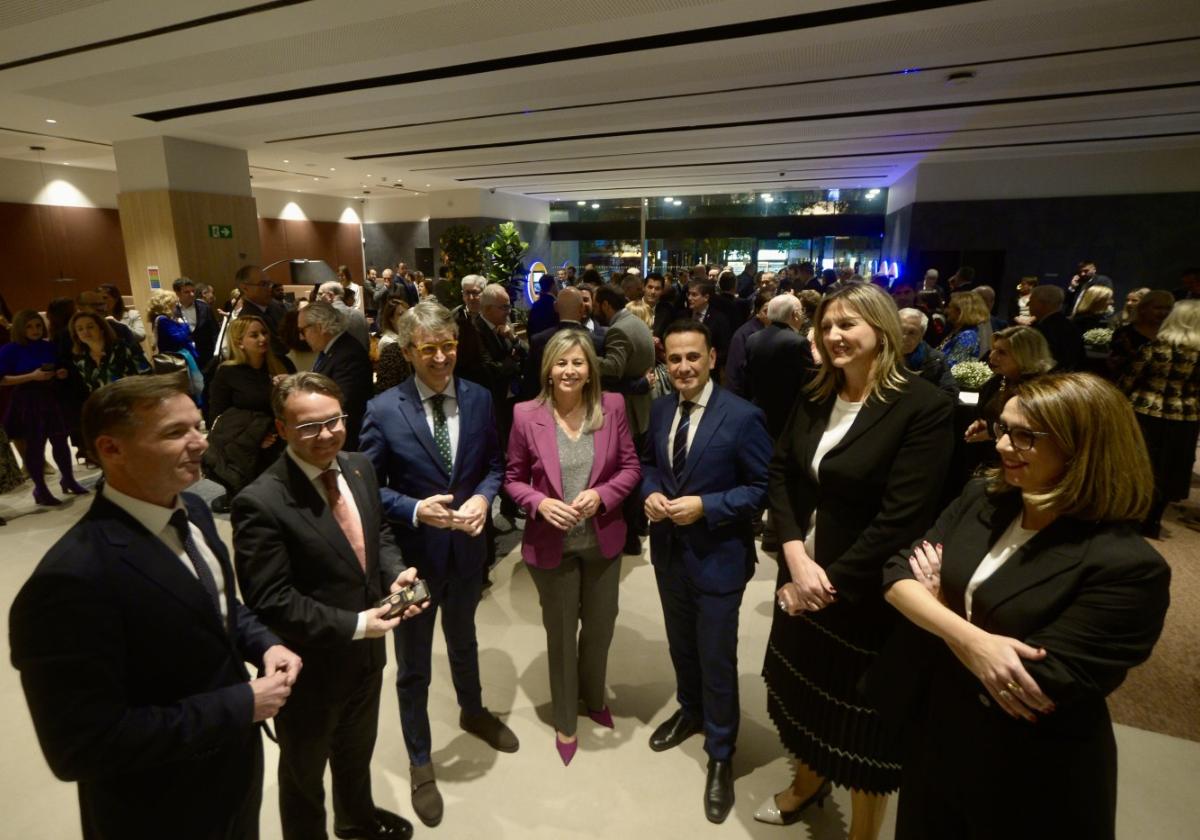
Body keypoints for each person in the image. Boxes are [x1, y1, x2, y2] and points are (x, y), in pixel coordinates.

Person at [880, 374, 1169, 840]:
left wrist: (937, 604)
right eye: (1002, 428)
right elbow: (896, 575)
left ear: (1084, 447)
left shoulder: (1128, 567)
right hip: (940, 737)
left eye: (1024, 436)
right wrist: (971, 638)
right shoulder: (985, 498)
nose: (1001, 446)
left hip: (1031, 773)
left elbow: (1031, 683)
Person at [9, 374, 299, 839]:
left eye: (199, 427)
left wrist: (264, 643)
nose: (201, 443)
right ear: (111, 449)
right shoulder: (69, 581)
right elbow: (80, 746)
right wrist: (239, 703)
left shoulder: (192, 512)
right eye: (174, 433)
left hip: (232, 777)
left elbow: (217, 606)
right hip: (158, 808)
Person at [760, 283, 953, 839]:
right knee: (802, 695)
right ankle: (807, 783)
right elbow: (781, 473)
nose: (834, 335)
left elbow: (902, 519)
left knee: (862, 727)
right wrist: (795, 554)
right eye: (825, 325)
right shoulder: (817, 392)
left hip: (868, 596)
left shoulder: (924, 408)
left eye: (848, 324)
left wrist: (825, 583)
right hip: (801, 573)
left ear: (882, 329)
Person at [233, 372, 424, 840]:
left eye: (335, 420)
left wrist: (393, 573)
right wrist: (356, 624)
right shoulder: (261, 502)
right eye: (309, 427)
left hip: (366, 655)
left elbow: (376, 533)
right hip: (311, 668)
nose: (327, 434)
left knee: (357, 751)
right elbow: (270, 601)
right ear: (281, 430)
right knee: (303, 775)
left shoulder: (357, 466)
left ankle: (356, 821)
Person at [359, 301, 516, 828]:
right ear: (407, 352)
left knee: (466, 638)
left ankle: (473, 711)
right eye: (429, 349)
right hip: (411, 562)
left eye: (448, 345)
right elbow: (367, 489)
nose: (442, 356)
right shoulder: (383, 409)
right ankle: (421, 758)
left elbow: (494, 466)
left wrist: (483, 498)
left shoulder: (478, 397)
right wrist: (412, 508)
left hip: (468, 551)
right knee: (414, 666)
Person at [641, 320, 772, 824]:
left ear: (712, 357)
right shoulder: (659, 409)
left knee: (717, 656)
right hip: (669, 553)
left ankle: (721, 752)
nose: (683, 368)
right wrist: (648, 491)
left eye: (692, 357)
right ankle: (690, 709)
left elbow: (761, 487)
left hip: (718, 557)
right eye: (674, 359)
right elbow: (652, 465)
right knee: (681, 644)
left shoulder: (743, 417)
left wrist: (708, 505)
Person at [503, 331, 641, 764]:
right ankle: (565, 717)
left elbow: (631, 466)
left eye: (578, 363)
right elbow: (513, 478)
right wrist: (540, 502)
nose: (569, 371)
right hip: (553, 547)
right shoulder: (526, 414)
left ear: (591, 369)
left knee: (600, 629)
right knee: (562, 635)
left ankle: (593, 697)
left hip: (602, 542)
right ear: (548, 369)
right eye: (561, 363)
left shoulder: (612, 408)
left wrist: (603, 496)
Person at [1119, 300, 1200, 538]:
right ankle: (1153, 520)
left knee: (1138, 465)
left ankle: (1130, 517)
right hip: (1185, 417)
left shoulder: (1153, 349)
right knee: (1171, 469)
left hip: (1145, 413)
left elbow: (1128, 380)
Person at [205, 315, 297, 512]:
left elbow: (298, 403)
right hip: (247, 446)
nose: (262, 338)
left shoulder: (282, 365)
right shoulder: (227, 373)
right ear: (239, 342)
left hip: (285, 439)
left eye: (264, 333)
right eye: (254, 335)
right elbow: (218, 418)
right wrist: (254, 438)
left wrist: (292, 383)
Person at [0, 309, 87, 505]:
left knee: (60, 441)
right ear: (20, 328)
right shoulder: (9, 349)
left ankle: (69, 479)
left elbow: (59, 365)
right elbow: (2, 379)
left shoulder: (49, 346)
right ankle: (41, 489)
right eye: (29, 326)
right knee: (35, 446)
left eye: (38, 325)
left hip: (52, 396)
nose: (35, 330)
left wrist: (61, 372)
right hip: (27, 400)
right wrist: (31, 376)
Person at [300, 301, 372, 451]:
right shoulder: (331, 350)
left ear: (319, 327)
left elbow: (343, 404)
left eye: (303, 330)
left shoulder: (347, 354)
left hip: (345, 443)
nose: (301, 338)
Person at [744, 294, 815, 439]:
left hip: (759, 410)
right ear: (795, 314)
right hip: (789, 415)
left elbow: (747, 375)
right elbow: (809, 381)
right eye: (801, 311)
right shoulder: (798, 342)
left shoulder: (753, 338)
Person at [149, 290, 205, 399]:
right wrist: (184, 325)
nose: (176, 305)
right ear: (167, 304)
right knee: (186, 390)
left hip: (178, 357)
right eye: (174, 303)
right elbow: (180, 338)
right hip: (176, 359)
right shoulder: (163, 320)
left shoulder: (164, 319)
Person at [68, 309, 140, 396]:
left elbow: (146, 376)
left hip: (132, 401)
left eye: (90, 327)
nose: (85, 332)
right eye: (80, 329)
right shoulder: (80, 359)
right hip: (103, 405)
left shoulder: (126, 348)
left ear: (101, 328)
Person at [1107, 289, 1173, 379]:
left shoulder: (1173, 335)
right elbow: (1114, 364)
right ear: (1143, 309)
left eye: (1168, 308)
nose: (1163, 312)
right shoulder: (1125, 333)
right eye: (1158, 308)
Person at [898, 307, 957, 398]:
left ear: (922, 335)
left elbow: (950, 393)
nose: (904, 337)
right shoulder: (878, 355)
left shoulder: (936, 359)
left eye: (912, 332)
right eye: (900, 330)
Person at [724, 291, 772, 397]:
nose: (770, 315)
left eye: (774, 311)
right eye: (766, 311)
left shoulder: (773, 330)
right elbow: (734, 372)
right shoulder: (744, 334)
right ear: (757, 312)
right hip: (745, 396)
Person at [1030, 285, 1085, 371]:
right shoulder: (1069, 325)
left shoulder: (1045, 329)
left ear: (1043, 303)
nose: (1028, 304)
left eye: (1031, 301)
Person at [685, 280, 732, 377]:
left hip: (709, 373)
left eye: (694, 295)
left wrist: (706, 362)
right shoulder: (683, 316)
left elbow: (724, 350)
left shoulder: (719, 319)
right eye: (688, 294)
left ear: (706, 297)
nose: (689, 298)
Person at [938, 290, 991, 368]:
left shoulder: (968, 336)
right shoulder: (958, 331)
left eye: (949, 307)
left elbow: (951, 366)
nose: (946, 311)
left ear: (960, 311)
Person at [174, 277, 219, 367]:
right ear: (178, 293)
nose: (191, 294)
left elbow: (215, 331)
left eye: (193, 291)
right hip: (185, 358)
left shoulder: (204, 307)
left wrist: (216, 353)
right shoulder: (173, 310)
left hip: (207, 356)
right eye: (187, 292)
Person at [374, 296, 413, 393]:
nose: (406, 317)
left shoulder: (405, 336)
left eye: (407, 313)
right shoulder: (388, 341)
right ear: (391, 318)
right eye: (401, 314)